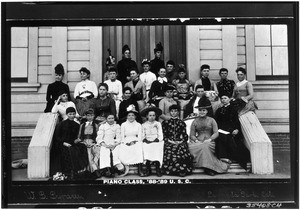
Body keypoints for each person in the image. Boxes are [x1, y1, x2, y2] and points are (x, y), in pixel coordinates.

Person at [188, 96, 229, 176]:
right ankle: (207, 167)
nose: (202, 112)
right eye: (200, 110)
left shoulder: (212, 120)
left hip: (210, 141)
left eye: (203, 110)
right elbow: (192, 135)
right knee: (192, 147)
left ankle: (209, 168)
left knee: (205, 146)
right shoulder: (195, 121)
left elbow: (216, 133)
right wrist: (196, 140)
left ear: (207, 111)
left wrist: (210, 139)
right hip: (198, 141)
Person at [214, 94, 250, 170]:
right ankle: (223, 157)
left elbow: (236, 121)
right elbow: (216, 122)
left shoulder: (233, 109)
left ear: (229, 99)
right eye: (222, 98)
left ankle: (230, 156)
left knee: (232, 140)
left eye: (225, 98)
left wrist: (236, 129)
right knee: (220, 137)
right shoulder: (219, 110)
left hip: (231, 129)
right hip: (221, 129)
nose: (223, 99)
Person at [53, 107, 89, 180]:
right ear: (67, 114)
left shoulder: (77, 125)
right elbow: (57, 137)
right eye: (70, 114)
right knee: (71, 150)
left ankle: (81, 169)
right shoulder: (61, 124)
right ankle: (71, 171)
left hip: (72, 143)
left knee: (82, 147)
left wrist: (77, 140)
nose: (72, 116)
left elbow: (77, 136)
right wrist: (64, 143)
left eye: (73, 114)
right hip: (63, 144)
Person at [161, 105, 194, 177]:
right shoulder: (165, 122)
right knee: (171, 150)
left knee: (181, 149)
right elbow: (163, 135)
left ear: (178, 112)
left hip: (179, 141)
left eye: (175, 111)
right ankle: (173, 170)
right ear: (169, 112)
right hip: (169, 141)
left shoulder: (181, 123)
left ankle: (182, 170)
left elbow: (184, 134)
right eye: (172, 111)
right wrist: (169, 141)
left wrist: (181, 141)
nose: (174, 113)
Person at [94, 113, 128, 177]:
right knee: (104, 151)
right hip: (104, 143)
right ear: (106, 119)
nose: (111, 120)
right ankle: (106, 169)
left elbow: (119, 137)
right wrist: (105, 145)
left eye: (112, 118)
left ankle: (118, 166)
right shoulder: (103, 126)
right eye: (109, 118)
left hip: (113, 142)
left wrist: (114, 144)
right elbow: (99, 137)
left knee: (116, 151)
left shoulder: (117, 126)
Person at [119, 105, 145, 177]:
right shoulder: (123, 125)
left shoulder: (138, 125)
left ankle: (140, 169)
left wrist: (135, 142)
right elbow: (122, 136)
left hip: (136, 140)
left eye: (132, 115)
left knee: (139, 146)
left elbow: (140, 136)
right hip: (126, 140)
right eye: (129, 115)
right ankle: (125, 167)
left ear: (135, 116)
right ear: (127, 116)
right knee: (122, 147)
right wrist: (125, 142)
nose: (131, 117)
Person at [140, 104, 164, 177]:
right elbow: (142, 135)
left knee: (157, 147)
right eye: (150, 115)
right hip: (147, 140)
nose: (152, 117)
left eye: (153, 115)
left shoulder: (158, 124)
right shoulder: (143, 125)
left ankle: (157, 168)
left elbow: (160, 134)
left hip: (156, 140)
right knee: (145, 147)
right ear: (147, 116)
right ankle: (148, 169)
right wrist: (145, 140)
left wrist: (157, 139)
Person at [77, 109, 99, 174]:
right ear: (86, 116)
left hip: (93, 142)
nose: (90, 117)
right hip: (84, 142)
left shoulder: (95, 125)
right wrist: (83, 142)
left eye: (91, 115)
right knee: (88, 154)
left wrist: (93, 143)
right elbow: (79, 136)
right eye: (88, 116)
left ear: (94, 116)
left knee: (96, 153)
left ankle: (95, 169)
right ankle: (91, 170)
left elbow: (98, 136)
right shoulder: (82, 125)